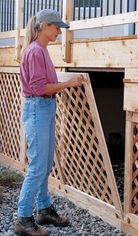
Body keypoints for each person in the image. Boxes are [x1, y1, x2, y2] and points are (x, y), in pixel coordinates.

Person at [15, 9, 84, 236]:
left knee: (44, 165)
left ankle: (44, 209)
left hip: (44, 108)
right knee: (37, 167)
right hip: (38, 108)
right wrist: (69, 83)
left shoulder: (42, 50)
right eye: (56, 28)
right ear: (44, 26)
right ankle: (24, 218)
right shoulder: (35, 51)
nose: (58, 32)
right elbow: (38, 88)